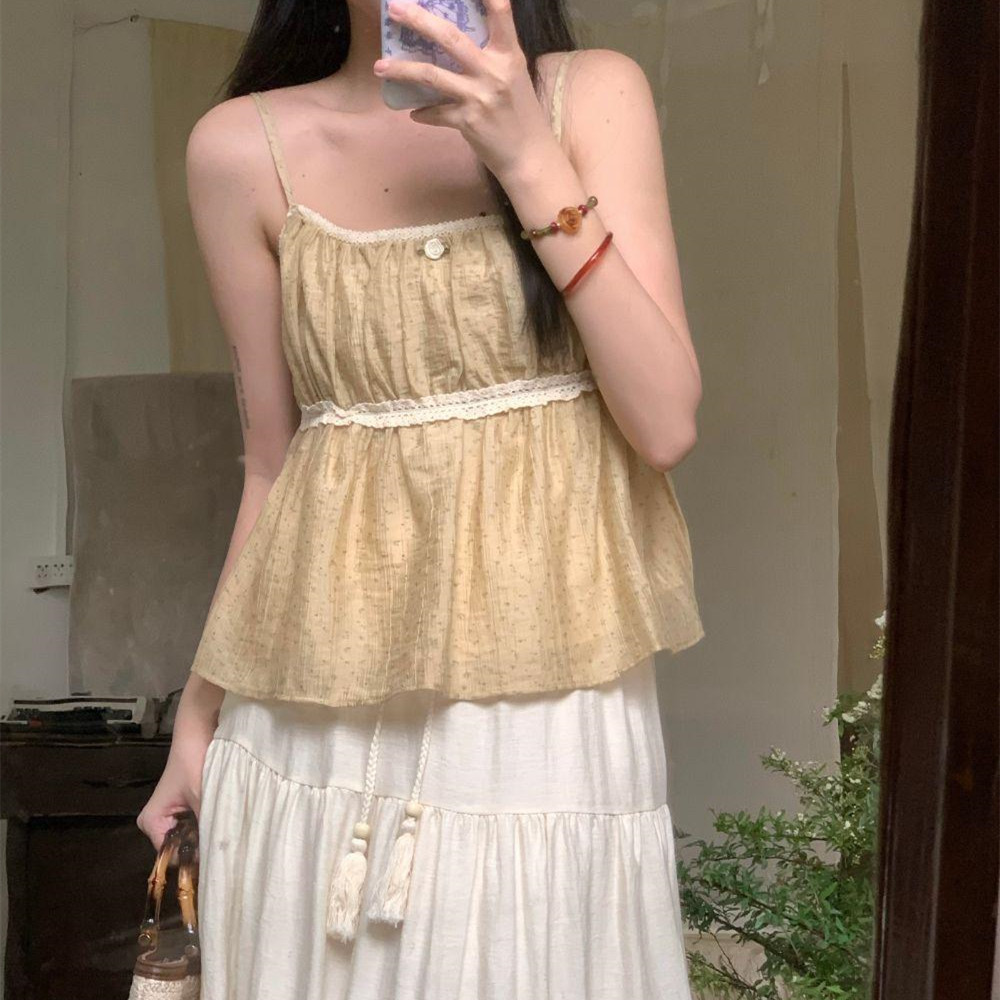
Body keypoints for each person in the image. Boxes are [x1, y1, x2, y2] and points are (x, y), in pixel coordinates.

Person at [137, 0, 706, 996]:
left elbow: (664, 422)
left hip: (547, 691)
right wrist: (197, 719)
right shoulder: (240, 148)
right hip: (308, 707)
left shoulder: (589, 97)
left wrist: (527, 156)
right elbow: (273, 464)